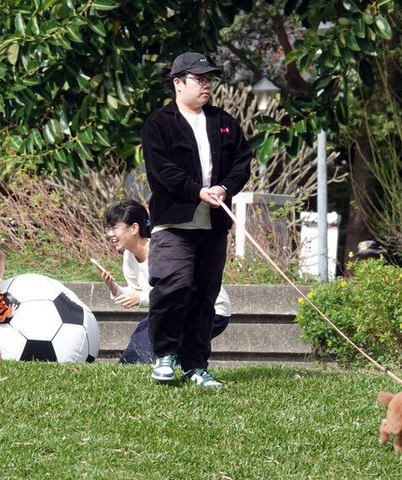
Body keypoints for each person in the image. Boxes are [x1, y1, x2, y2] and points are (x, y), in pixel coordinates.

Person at [140, 52, 253, 387]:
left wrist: (224, 187)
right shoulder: (159, 123)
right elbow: (163, 171)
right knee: (173, 287)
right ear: (178, 82)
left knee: (206, 295)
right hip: (173, 225)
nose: (207, 85)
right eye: (199, 78)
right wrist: (197, 191)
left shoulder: (224, 121)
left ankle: (195, 366)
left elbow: (242, 164)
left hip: (213, 227)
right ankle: (164, 356)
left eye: (209, 79)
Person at [97, 200, 231, 364]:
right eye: (109, 228)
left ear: (134, 228)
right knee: (140, 337)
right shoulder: (129, 255)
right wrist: (114, 288)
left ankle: (173, 368)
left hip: (209, 308)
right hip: (172, 309)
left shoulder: (164, 251)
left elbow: (180, 290)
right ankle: (131, 369)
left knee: (155, 348)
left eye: (114, 228)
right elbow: (135, 291)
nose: (110, 234)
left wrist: (141, 299)